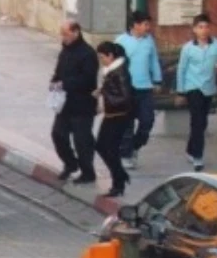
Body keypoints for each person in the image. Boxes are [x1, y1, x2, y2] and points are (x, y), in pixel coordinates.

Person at [175, 13, 217, 172]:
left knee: (202, 122)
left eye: (206, 27)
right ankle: (198, 157)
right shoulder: (188, 48)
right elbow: (182, 69)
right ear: (194, 29)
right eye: (200, 27)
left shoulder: (216, 45)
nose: (204, 30)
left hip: (208, 88)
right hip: (192, 87)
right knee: (197, 121)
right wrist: (181, 92)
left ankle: (190, 149)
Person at [50, 21, 99, 185]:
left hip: (82, 105)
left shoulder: (87, 54)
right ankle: (71, 163)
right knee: (58, 134)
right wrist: (54, 81)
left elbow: (87, 79)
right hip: (65, 104)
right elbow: (58, 71)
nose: (63, 37)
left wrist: (65, 83)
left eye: (65, 33)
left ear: (76, 32)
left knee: (82, 140)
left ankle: (88, 172)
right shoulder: (65, 51)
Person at [115, 10, 163, 171]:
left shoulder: (149, 41)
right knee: (127, 125)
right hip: (127, 89)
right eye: (145, 24)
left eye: (148, 24)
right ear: (135, 25)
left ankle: (135, 146)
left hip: (145, 88)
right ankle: (125, 155)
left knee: (147, 121)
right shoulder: (121, 41)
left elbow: (154, 61)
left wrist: (157, 80)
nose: (148, 27)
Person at [94, 41, 133, 199]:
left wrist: (104, 94)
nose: (101, 60)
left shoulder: (119, 72)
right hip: (111, 115)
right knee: (103, 147)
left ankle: (119, 181)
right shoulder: (111, 71)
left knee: (108, 148)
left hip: (119, 116)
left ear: (110, 56)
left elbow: (125, 97)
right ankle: (120, 176)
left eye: (102, 57)